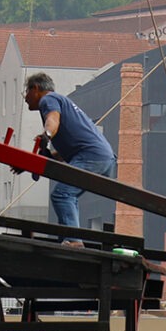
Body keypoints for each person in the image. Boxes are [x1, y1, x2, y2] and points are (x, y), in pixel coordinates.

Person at [23, 72, 117, 236]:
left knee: (62, 194)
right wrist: (50, 156)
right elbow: (70, 147)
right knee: (68, 194)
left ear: (36, 88)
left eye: (27, 92)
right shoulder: (62, 102)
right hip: (102, 158)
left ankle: (72, 240)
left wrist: (47, 135)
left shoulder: (48, 99)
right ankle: (69, 238)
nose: (25, 98)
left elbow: (53, 120)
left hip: (92, 156)